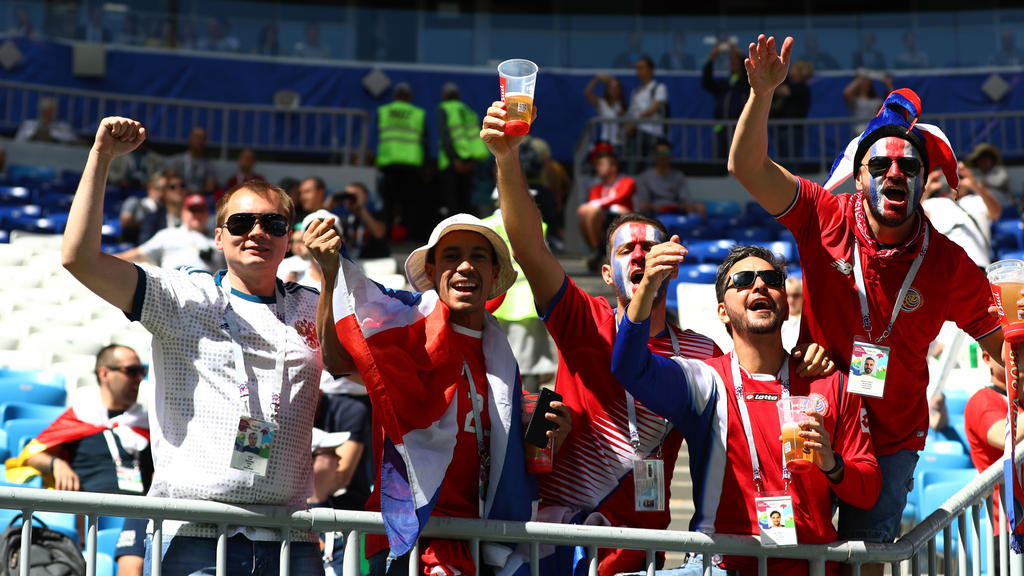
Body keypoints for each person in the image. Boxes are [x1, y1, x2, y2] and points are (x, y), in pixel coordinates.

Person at [729, 34, 1004, 575]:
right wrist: (762, 94)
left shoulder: (949, 263)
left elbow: (1003, 343)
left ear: (924, 183)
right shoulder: (823, 215)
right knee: (794, 555)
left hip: (891, 438)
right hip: (817, 419)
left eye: (908, 167)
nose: (894, 174)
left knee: (865, 564)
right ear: (859, 176)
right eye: (880, 167)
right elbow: (747, 167)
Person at [61, 117, 340, 574]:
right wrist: (101, 157)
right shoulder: (183, 298)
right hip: (195, 534)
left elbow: (358, 362)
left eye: (273, 223)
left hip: (289, 536)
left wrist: (333, 275)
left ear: (289, 239)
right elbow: (79, 258)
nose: (257, 232)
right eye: (241, 221)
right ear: (218, 235)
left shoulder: (314, 305)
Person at [485, 101, 717, 576]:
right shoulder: (584, 318)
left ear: (672, 259)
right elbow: (528, 245)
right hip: (559, 541)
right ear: (608, 273)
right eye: (627, 249)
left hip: (639, 551)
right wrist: (507, 158)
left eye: (650, 247)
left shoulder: (701, 353)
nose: (640, 254)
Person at [309, 212, 569, 576]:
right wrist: (331, 274)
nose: (465, 266)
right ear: (431, 272)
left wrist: (545, 435)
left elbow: (496, 458)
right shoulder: (405, 328)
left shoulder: (502, 360)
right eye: (451, 256)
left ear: (494, 274)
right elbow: (337, 360)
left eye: (478, 256)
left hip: (478, 542)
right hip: (407, 540)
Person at [611, 244, 879, 576]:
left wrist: (832, 463)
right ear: (723, 311)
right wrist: (649, 286)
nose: (759, 285)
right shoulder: (704, 381)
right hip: (722, 564)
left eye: (771, 278)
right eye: (743, 279)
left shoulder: (831, 383)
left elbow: (868, 491)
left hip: (808, 568)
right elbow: (628, 367)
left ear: (785, 301)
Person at [6, 344, 153, 493]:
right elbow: (32, 455)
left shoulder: (149, 425)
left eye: (142, 371)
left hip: (142, 511)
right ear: (104, 374)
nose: (139, 378)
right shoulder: (80, 416)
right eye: (132, 371)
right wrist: (56, 463)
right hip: (88, 511)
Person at [965, 348, 1021, 533]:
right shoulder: (981, 400)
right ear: (988, 358)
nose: (1019, 356)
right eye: (1013, 349)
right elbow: (1005, 436)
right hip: (1009, 531)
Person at [921, 163, 1001, 269]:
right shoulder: (933, 203)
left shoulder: (978, 200)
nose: (956, 181)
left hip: (977, 266)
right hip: (943, 267)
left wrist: (975, 185)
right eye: (950, 177)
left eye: (960, 177)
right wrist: (927, 189)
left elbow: (996, 213)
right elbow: (915, 216)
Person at [117, 193, 224, 272]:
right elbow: (140, 254)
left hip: (207, 288)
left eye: (201, 210)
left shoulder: (219, 241)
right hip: (174, 284)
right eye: (193, 210)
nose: (197, 214)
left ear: (207, 214)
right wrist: (107, 260)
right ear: (183, 213)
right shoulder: (168, 234)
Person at [376, 82, 428, 241]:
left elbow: (376, 137)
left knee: (388, 204)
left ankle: (386, 237)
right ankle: (409, 237)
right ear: (410, 97)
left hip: (389, 164)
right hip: (411, 165)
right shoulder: (417, 113)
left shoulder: (384, 111)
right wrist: (427, 167)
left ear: (395, 96)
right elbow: (424, 141)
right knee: (410, 205)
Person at [578, 150, 635, 271]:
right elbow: (594, 204)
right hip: (603, 219)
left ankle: (599, 254)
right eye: (597, 165)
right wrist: (614, 206)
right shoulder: (596, 188)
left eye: (601, 164)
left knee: (591, 210)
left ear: (613, 167)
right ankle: (597, 250)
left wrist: (603, 204)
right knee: (585, 213)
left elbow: (621, 196)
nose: (597, 168)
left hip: (622, 219)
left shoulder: (627, 182)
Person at [702, 43, 749, 163]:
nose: (733, 62)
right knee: (719, 159)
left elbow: (746, 71)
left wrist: (739, 53)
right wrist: (712, 58)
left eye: (736, 60)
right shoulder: (725, 82)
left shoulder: (747, 82)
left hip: (740, 128)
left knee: (739, 160)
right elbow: (706, 82)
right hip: (721, 127)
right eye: (731, 60)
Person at [635, 139, 705, 216]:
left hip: (676, 212)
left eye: (666, 152)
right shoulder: (644, 177)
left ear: (671, 155)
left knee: (700, 206)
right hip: (654, 214)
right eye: (660, 153)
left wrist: (686, 206)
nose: (663, 156)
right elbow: (643, 204)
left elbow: (685, 200)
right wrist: (658, 208)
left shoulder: (678, 176)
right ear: (654, 156)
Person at [625, 57, 668, 171]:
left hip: (653, 133)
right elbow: (631, 112)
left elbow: (654, 107)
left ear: (650, 70)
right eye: (637, 68)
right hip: (637, 133)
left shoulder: (659, 87)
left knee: (651, 167)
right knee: (632, 167)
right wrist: (629, 126)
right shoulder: (635, 91)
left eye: (641, 68)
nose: (638, 71)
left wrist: (635, 121)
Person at [771, 60, 813, 167]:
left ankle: (793, 182)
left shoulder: (801, 88)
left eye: (794, 68)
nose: (791, 70)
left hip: (792, 130)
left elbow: (782, 90)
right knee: (783, 160)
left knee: (790, 161)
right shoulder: (790, 84)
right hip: (782, 128)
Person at [338, 182, 389, 260]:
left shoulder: (377, 215)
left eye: (354, 196)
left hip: (377, 263)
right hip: (353, 263)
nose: (350, 200)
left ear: (365, 197)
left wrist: (361, 206)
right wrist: (332, 201)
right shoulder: (343, 220)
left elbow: (379, 233)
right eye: (347, 196)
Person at [137, 171, 186, 244]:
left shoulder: (195, 217)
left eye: (182, 185)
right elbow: (144, 245)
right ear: (164, 193)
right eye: (172, 187)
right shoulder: (152, 219)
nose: (178, 189)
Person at [167, 126, 217, 196]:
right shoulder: (178, 160)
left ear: (205, 142)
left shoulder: (209, 165)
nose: (198, 141)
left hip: (199, 199)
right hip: (179, 195)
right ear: (189, 139)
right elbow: (169, 180)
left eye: (202, 138)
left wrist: (193, 194)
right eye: (196, 137)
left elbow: (210, 188)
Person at [585, 74, 627, 154]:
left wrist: (623, 117)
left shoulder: (623, 106)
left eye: (616, 87)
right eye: (611, 87)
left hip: (619, 143)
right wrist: (597, 78)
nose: (614, 90)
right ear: (607, 89)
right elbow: (587, 92)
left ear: (620, 90)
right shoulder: (602, 104)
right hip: (605, 142)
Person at [965, 143, 1013, 207]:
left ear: (992, 160)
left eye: (986, 158)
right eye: (981, 158)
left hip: (1002, 205)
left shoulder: (1000, 171)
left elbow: (998, 181)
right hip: (979, 205)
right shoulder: (973, 173)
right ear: (976, 161)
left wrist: (978, 185)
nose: (984, 161)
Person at [15, 97, 79, 144]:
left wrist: (51, 134)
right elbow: (19, 140)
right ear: (41, 111)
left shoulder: (63, 127)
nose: (48, 114)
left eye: (51, 111)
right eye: (45, 111)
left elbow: (72, 140)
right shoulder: (28, 124)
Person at [781, 276, 802, 351]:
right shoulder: (774, 320)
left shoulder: (806, 322)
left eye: (795, 295)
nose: (791, 300)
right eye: (787, 295)